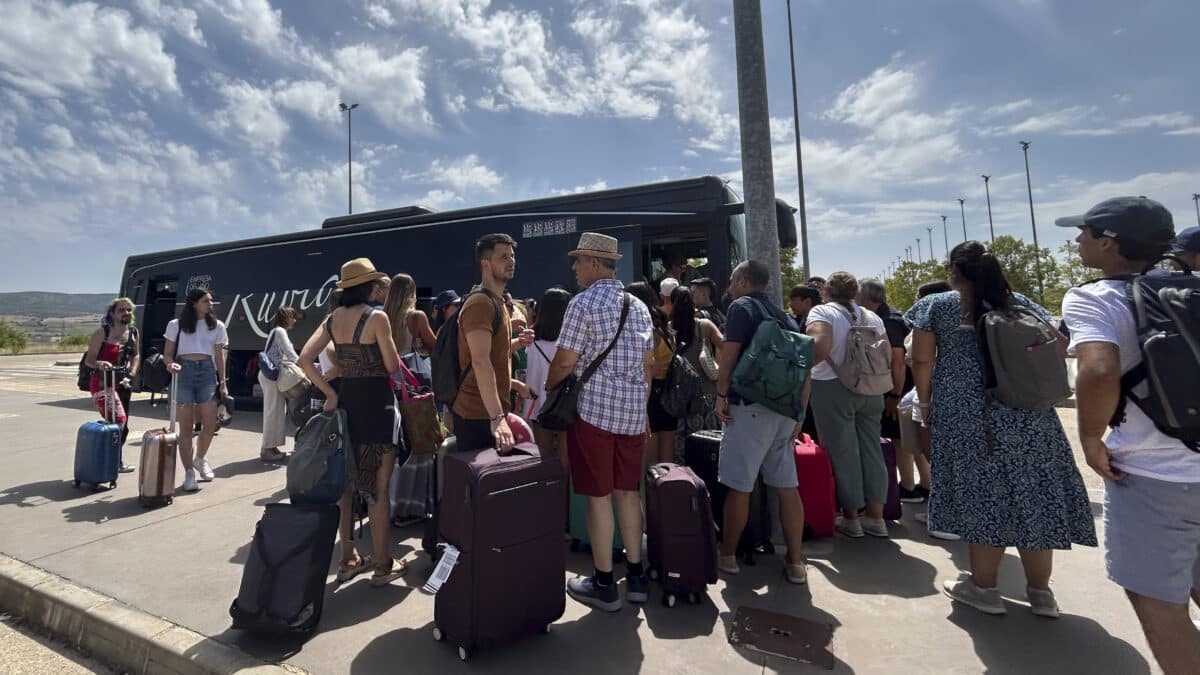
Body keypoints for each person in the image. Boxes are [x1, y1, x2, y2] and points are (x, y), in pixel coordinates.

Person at [906, 241, 1095, 618]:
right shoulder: (1022, 304)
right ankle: (1041, 593)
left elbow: (922, 359)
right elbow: (1061, 346)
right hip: (1028, 413)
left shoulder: (937, 306)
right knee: (1032, 495)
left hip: (965, 415)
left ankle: (984, 587)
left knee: (982, 496)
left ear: (955, 272)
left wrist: (924, 404)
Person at [1057, 197, 1200, 670]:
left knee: (1161, 606)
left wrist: (1092, 438)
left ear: (1109, 242)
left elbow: (1098, 370)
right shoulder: (1191, 290)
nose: (1077, 240)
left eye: (1084, 232)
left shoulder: (1095, 297)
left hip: (1152, 473)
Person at [545, 232, 654, 611]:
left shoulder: (582, 303)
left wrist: (550, 387)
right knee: (628, 493)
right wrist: (642, 411)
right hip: (632, 415)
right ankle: (636, 577)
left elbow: (564, 361)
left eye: (578, 261)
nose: (574, 268)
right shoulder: (639, 307)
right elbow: (648, 366)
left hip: (593, 414)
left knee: (597, 496)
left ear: (593, 263)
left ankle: (605, 582)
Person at [299, 257, 408, 587]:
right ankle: (383, 565)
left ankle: (348, 560)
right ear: (366, 286)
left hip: (345, 405)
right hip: (377, 406)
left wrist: (329, 395)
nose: (379, 289)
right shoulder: (377, 318)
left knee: (344, 487)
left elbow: (305, 359)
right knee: (378, 489)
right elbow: (391, 365)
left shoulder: (333, 320)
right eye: (375, 284)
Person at [714, 260, 810, 584]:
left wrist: (721, 394)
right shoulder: (785, 316)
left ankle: (727, 556)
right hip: (784, 411)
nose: (729, 286)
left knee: (739, 486)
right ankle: (796, 562)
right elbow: (804, 366)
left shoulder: (742, 307)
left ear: (742, 280)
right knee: (786, 487)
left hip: (750, 409)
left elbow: (729, 355)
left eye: (731, 279)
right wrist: (799, 412)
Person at [805, 272, 890, 538]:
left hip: (833, 386)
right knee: (871, 449)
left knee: (842, 451)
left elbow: (819, 349)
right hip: (872, 388)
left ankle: (851, 518)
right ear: (855, 292)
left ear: (826, 290)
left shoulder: (822, 312)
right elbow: (885, 350)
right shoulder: (871, 316)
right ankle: (877, 518)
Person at [857, 278, 929, 504]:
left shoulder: (887, 322)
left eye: (858, 295)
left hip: (898, 389)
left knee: (901, 440)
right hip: (906, 388)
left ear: (867, 298)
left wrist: (894, 396)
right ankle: (926, 484)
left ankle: (908, 486)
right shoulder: (895, 316)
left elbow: (897, 361)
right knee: (910, 438)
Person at [163, 288, 229, 492]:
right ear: (194, 304)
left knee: (210, 424)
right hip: (183, 371)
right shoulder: (176, 324)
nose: (210, 305)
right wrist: (169, 364)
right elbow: (167, 354)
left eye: (211, 301)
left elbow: (219, 356)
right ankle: (189, 472)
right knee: (186, 428)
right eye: (206, 301)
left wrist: (223, 381)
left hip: (207, 371)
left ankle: (200, 459)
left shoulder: (217, 325)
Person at [84, 298, 140, 473]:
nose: (126, 313)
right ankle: (107, 461)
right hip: (102, 383)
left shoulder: (133, 333)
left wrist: (132, 371)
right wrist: (100, 363)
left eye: (129, 310)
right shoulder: (102, 333)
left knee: (122, 426)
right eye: (122, 310)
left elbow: (136, 355)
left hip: (123, 383)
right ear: (112, 314)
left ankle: (114, 460)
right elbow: (89, 360)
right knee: (118, 421)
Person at [669, 286, 723, 458]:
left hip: (681, 396)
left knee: (683, 448)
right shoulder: (704, 326)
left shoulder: (669, 329)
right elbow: (725, 346)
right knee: (710, 443)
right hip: (706, 394)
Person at [627, 281, 677, 465]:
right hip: (670, 390)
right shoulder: (666, 327)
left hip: (651, 391)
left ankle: (650, 492)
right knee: (667, 455)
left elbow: (650, 366)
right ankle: (668, 489)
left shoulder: (646, 328)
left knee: (650, 458)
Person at [258, 307, 299, 463]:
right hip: (271, 376)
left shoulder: (277, 331)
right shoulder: (280, 331)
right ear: (286, 317)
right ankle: (266, 450)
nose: (294, 320)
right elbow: (290, 353)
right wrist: (305, 365)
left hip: (272, 376)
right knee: (273, 412)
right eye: (292, 317)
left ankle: (272, 447)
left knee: (277, 412)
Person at [384, 274, 437, 358]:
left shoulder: (381, 316)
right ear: (412, 292)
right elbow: (436, 347)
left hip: (387, 369)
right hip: (410, 369)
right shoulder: (417, 316)